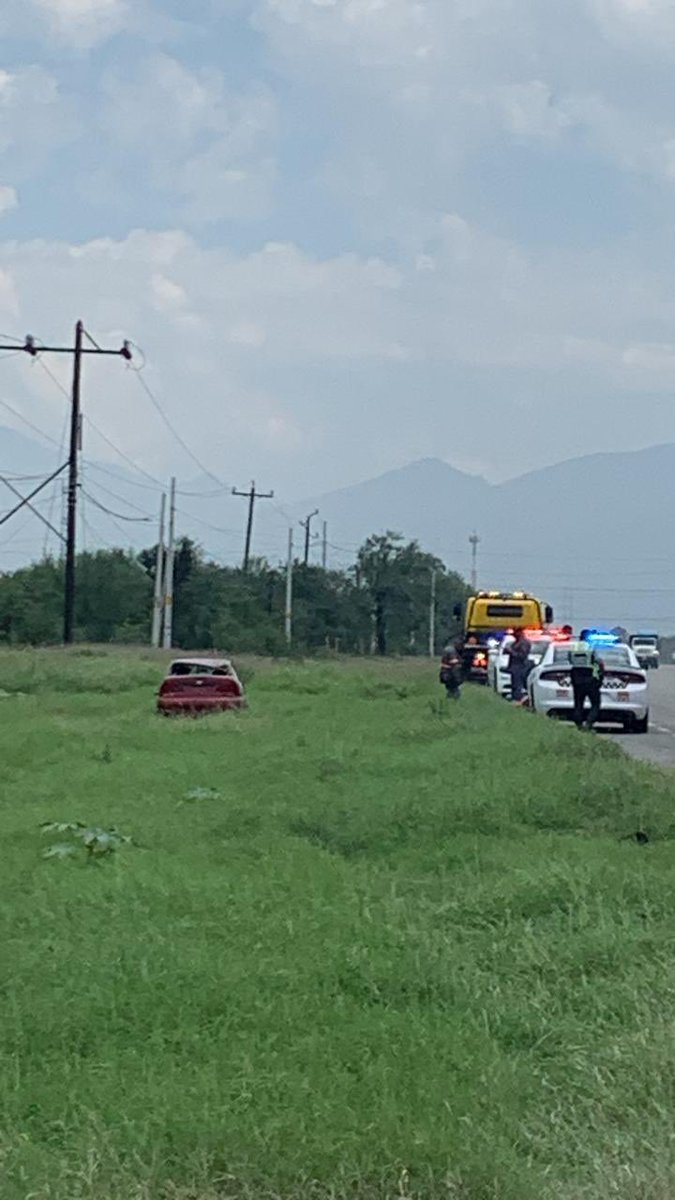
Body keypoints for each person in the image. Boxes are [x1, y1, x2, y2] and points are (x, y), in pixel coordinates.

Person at [569, 641, 605, 730]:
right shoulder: (590, 648)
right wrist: (600, 677)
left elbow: (569, 660)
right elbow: (598, 662)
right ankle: (589, 723)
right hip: (590, 678)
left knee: (578, 703)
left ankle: (579, 725)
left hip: (576, 677)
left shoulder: (574, 647)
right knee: (596, 703)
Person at [505, 627, 531, 703]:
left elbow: (522, 656)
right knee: (514, 684)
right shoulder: (516, 642)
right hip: (514, 666)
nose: (514, 635)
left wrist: (511, 651)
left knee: (517, 685)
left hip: (520, 666)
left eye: (516, 633)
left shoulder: (524, 643)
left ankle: (518, 700)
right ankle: (514, 698)